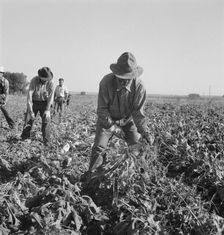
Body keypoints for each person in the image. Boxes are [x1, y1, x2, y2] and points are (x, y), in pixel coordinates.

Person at [82, 52, 153, 179]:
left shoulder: (139, 87)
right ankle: (92, 179)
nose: (124, 81)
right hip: (107, 120)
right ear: (116, 75)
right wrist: (114, 128)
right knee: (99, 147)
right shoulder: (106, 82)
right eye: (121, 78)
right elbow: (102, 111)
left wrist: (145, 132)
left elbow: (138, 113)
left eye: (128, 78)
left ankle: (143, 178)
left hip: (128, 121)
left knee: (136, 149)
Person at [21, 67, 54, 146]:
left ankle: (47, 141)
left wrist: (48, 109)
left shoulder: (51, 83)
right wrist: (31, 111)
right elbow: (29, 96)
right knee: (29, 119)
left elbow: (51, 97)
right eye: (45, 79)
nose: (46, 81)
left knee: (46, 121)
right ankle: (24, 138)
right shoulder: (34, 80)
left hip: (45, 103)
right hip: (34, 102)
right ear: (40, 77)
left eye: (47, 79)